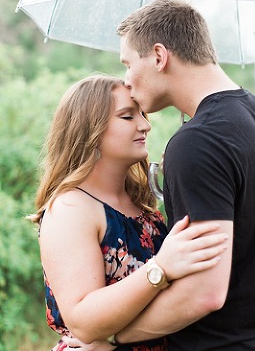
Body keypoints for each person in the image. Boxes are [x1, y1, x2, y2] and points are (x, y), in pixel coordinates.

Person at [114, 0, 255, 350]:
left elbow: (204, 293)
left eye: (127, 62)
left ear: (159, 56)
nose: (126, 79)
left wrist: (116, 334)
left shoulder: (199, 140)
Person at [29, 75, 229, 351]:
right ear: (89, 130)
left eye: (143, 115)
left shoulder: (141, 204)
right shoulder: (71, 209)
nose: (145, 125)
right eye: (127, 117)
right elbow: (83, 321)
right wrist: (160, 269)